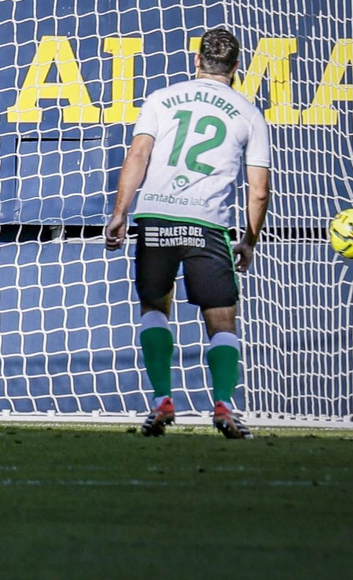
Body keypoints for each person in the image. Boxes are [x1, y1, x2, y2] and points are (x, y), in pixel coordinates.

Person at [104, 26, 270, 440]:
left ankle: (162, 398)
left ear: (196, 61)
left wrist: (120, 212)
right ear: (236, 68)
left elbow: (138, 154)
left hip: (156, 217)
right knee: (222, 321)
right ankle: (224, 405)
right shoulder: (248, 113)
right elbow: (259, 190)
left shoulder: (161, 99)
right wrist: (248, 240)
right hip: (208, 223)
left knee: (155, 309)